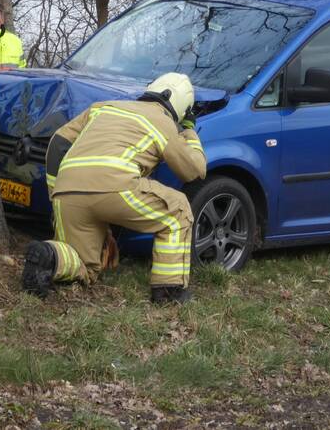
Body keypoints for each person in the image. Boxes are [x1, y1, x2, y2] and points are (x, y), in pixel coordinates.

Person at [22, 72, 207, 304]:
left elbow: (58, 143)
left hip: (67, 191)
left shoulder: (103, 107)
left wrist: (55, 193)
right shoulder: (164, 123)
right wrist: (188, 131)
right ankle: (169, 292)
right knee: (178, 211)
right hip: (115, 186)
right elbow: (194, 170)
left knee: (85, 266)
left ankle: (50, 257)